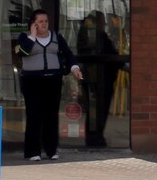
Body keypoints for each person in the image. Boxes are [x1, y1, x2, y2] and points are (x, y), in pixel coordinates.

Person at [13, 9, 80, 161]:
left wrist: (74, 68)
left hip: (53, 80)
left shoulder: (56, 37)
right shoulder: (24, 37)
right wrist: (32, 36)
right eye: (40, 21)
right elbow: (21, 52)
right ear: (34, 23)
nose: (44, 24)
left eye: (46, 21)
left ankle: (51, 150)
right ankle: (32, 152)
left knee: (51, 116)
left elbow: (68, 53)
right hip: (32, 81)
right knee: (34, 115)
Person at [72, 13, 121, 148]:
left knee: (95, 110)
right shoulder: (95, 35)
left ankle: (95, 137)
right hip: (96, 80)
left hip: (94, 79)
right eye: (102, 21)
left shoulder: (92, 34)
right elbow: (108, 54)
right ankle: (95, 138)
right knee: (96, 110)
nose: (104, 24)